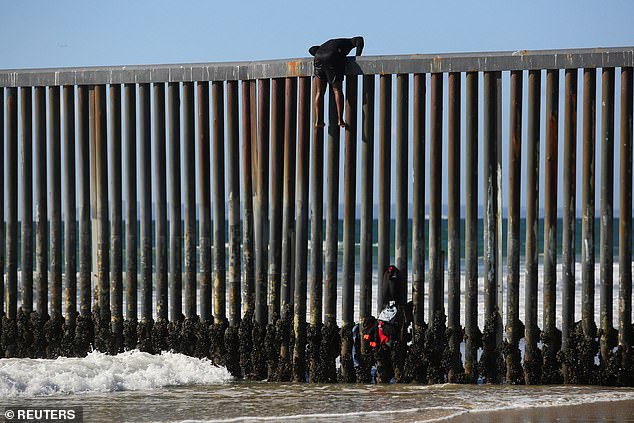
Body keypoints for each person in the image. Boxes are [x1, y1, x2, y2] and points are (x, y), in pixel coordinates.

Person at [308, 36, 364, 128]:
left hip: (318, 58)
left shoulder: (326, 44)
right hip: (332, 58)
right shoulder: (349, 42)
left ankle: (318, 120)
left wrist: (319, 55)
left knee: (320, 92)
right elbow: (360, 40)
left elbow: (311, 49)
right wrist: (358, 56)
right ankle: (340, 119)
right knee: (337, 90)